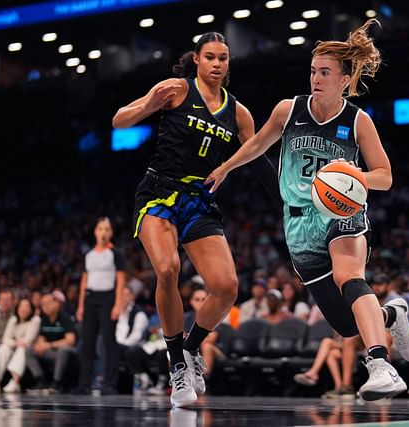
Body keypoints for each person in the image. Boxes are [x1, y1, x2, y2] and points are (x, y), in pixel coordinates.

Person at [206, 19, 409, 400]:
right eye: (313, 71)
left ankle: (380, 364)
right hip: (299, 224)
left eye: (325, 72)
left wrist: (355, 176)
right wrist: (225, 167)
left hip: (341, 212)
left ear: (344, 78)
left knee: (349, 275)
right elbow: (256, 146)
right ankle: (391, 315)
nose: (316, 78)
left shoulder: (358, 121)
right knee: (345, 322)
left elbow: (385, 176)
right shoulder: (289, 110)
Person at [112, 31, 279, 407]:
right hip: (157, 191)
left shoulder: (239, 112)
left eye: (223, 58)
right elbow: (119, 121)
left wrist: (286, 202)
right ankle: (175, 368)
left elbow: (257, 158)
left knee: (226, 287)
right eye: (210, 57)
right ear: (198, 60)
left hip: (199, 200)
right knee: (168, 269)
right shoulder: (174, 89)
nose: (217, 64)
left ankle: (190, 348)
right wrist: (147, 105)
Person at [75, 217, 126, 395]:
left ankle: (110, 383)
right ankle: (84, 384)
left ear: (111, 233)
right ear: (95, 231)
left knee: (108, 341)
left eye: (106, 229)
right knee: (87, 342)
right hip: (90, 299)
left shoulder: (116, 253)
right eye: (100, 229)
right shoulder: (88, 255)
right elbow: (84, 280)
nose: (103, 232)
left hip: (108, 299)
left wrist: (118, 304)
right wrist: (80, 305)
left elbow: (120, 280)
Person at [0, 298, 41, 393]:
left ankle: (15, 382)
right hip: (14, 348)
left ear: (31, 309)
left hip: (28, 351)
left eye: (26, 307)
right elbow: (5, 339)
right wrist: (15, 343)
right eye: (21, 306)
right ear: (17, 308)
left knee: (22, 349)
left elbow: (28, 340)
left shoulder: (35, 320)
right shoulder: (13, 319)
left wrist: (15, 342)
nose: (23, 309)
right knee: (3, 347)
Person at [26, 291, 78, 394]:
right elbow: (41, 337)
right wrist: (40, 346)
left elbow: (70, 340)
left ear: (56, 304)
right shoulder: (44, 318)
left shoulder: (64, 318)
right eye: (42, 304)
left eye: (47, 303)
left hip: (68, 353)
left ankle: (56, 383)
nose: (44, 306)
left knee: (63, 350)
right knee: (29, 350)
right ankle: (40, 380)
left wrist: (49, 345)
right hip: (51, 352)